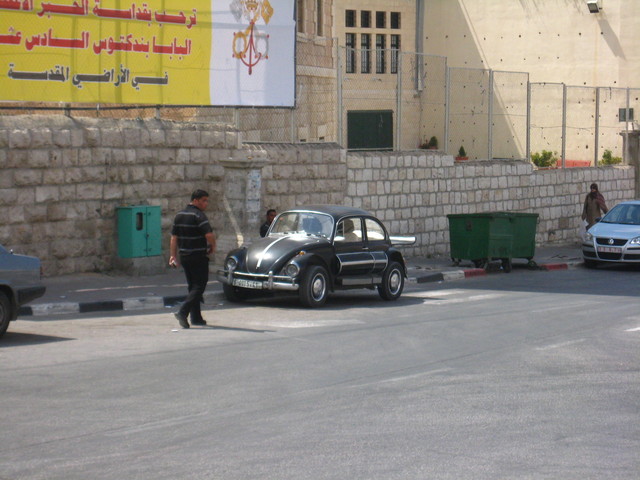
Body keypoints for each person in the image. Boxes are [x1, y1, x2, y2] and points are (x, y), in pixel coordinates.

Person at [169, 189, 216, 329]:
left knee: (192, 286)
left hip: (184, 256)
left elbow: (173, 238)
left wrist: (173, 256)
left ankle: (196, 317)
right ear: (195, 200)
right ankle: (183, 312)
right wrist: (213, 245)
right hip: (198, 256)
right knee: (200, 285)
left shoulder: (179, 215)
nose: (206, 204)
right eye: (204, 200)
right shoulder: (199, 216)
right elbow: (209, 235)